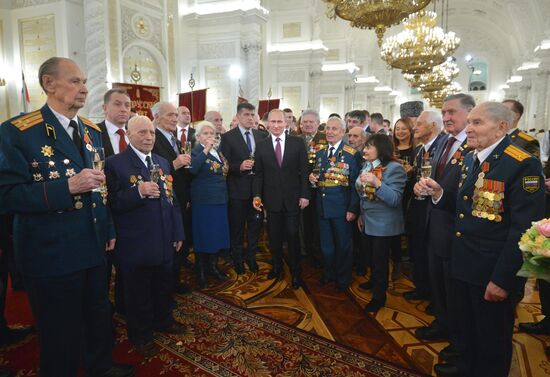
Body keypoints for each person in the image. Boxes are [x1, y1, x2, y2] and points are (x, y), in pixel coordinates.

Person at [0, 57, 133, 377]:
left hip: (92, 243)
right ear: (49, 83)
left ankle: (99, 367)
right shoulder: (18, 132)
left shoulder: (90, 130)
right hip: (51, 251)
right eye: (75, 81)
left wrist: (110, 227)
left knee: (98, 316)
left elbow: (101, 188)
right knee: (60, 331)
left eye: (85, 82)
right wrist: (67, 187)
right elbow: (7, 195)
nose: (84, 89)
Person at [419, 102, 545, 377]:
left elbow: (523, 231)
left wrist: (503, 280)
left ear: (502, 127)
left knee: (491, 339)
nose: (469, 128)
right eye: (470, 122)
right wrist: (439, 192)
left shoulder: (522, 164)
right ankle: (465, 367)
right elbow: (465, 206)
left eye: (477, 123)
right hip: (463, 262)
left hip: (492, 270)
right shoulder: (470, 158)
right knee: (465, 328)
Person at [105, 115, 186, 358]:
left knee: (163, 285)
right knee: (137, 293)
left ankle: (163, 320)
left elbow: (174, 200)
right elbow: (110, 204)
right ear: (128, 134)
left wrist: (178, 231)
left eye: (151, 132)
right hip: (135, 242)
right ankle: (140, 335)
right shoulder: (115, 164)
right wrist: (137, 192)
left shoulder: (162, 161)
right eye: (142, 132)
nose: (148, 137)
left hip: (164, 238)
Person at [252, 109, 310, 289]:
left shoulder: (297, 142)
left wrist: (304, 194)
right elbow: (258, 175)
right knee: (274, 237)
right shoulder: (261, 145)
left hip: (293, 198)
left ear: (286, 123)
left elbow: (304, 171)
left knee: (293, 236)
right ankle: (276, 266)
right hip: (271, 199)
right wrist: (257, 195)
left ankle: (295, 271)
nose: (276, 125)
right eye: (273, 122)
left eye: (279, 122)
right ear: (267, 123)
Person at [356, 134, 407, 312]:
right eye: (365, 147)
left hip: (384, 223)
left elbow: (394, 199)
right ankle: (373, 281)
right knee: (369, 257)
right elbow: (363, 194)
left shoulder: (394, 168)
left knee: (380, 261)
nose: (365, 150)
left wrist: (376, 182)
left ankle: (379, 296)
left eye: (369, 147)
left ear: (381, 148)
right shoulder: (367, 165)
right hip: (368, 220)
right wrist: (361, 214)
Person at [309, 116, 360, 292]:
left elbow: (355, 185)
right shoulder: (321, 152)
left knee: (343, 245)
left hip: (341, 208)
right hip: (322, 206)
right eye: (328, 128)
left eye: (334, 129)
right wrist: (312, 179)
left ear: (343, 132)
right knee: (326, 246)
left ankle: (343, 279)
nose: (329, 132)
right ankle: (329, 273)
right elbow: (319, 178)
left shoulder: (351, 154)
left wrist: (353, 209)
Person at [403, 111, 447, 302]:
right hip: (419, 209)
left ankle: (433, 296)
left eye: (420, 124)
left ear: (433, 126)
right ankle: (422, 289)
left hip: (436, 211)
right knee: (419, 252)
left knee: (431, 257)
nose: (415, 127)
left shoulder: (443, 148)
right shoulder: (421, 149)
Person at [151, 102, 192, 294]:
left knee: (180, 239)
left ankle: (174, 280)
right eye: (170, 115)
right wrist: (175, 163)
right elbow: (154, 169)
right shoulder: (153, 138)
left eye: (176, 115)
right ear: (157, 117)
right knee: (169, 242)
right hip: (165, 198)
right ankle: (167, 286)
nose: (175, 119)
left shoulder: (174, 137)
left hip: (181, 196)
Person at [220, 103, 266, 274]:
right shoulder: (228, 137)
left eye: (252, 115)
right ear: (238, 116)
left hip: (257, 191)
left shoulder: (262, 136)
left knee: (255, 226)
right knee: (237, 227)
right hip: (237, 190)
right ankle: (237, 259)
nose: (250, 118)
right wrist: (238, 167)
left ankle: (251, 257)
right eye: (246, 114)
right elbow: (223, 166)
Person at [97, 88, 132, 315]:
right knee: (104, 265)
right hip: (104, 210)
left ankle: (123, 303)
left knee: (128, 263)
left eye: (127, 105)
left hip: (131, 209)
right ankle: (101, 310)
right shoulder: (93, 133)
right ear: (105, 108)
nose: (123, 109)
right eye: (118, 104)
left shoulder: (134, 134)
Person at [190, 121, 231, 287]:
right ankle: (200, 269)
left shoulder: (218, 152)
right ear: (198, 137)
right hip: (204, 201)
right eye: (205, 134)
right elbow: (192, 169)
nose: (209, 136)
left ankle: (212, 266)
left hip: (220, 199)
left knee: (216, 235)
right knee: (203, 235)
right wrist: (206, 149)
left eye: (212, 133)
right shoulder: (195, 151)